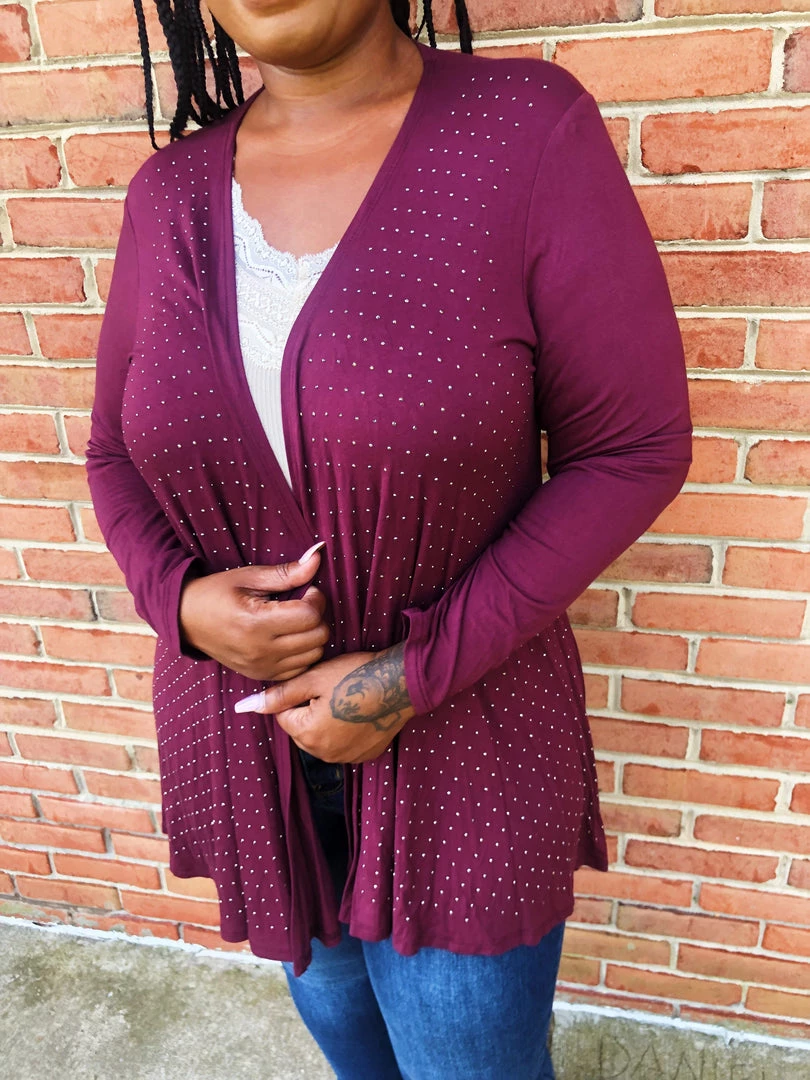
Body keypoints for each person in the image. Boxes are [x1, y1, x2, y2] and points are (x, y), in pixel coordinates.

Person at [86, 1, 692, 1076]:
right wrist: (176, 601)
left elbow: (632, 447)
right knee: (349, 1045)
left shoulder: (523, 133)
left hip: (466, 747)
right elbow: (109, 454)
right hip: (249, 750)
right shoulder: (167, 194)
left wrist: (408, 677)